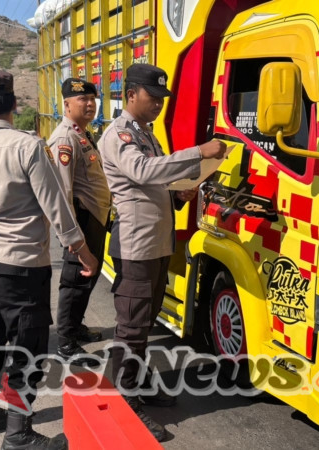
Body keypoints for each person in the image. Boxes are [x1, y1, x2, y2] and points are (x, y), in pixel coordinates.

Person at [0, 70, 98, 449]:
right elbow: (56, 207)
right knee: (28, 345)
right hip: (22, 263)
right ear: (15, 104)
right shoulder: (28, 147)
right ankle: (18, 433)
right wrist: (83, 251)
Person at [98, 64, 226, 441]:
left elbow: (155, 179)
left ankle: (132, 383)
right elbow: (142, 170)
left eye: (161, 100)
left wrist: (178, 191)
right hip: (136, 243)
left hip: (154, 240)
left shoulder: (146, 132)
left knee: (144, 320)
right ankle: (123, 398)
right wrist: (198, 152)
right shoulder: (120, 134)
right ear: (130, 94)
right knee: (133, 324)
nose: (158, 105)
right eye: (152, 98)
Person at [47, 78, 111, 363]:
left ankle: (75, 326)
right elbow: (62, 193)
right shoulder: (65, 138)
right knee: (74, 281)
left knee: (88, 278)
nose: (89, 104)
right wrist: (73, 238)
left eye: (92, 99)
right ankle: (66, 343)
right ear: (66, 104)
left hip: (95, 218)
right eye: (82, 99)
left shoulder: (82, 134)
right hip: (81, 222)